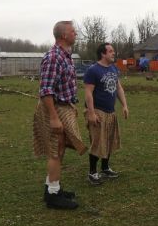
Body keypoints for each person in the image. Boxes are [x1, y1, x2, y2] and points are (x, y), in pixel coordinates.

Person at [33, 21, 88, 209]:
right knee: (55, 150)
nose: (76, 34)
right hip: (53, 108)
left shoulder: (66, 56)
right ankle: (53, 196)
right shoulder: (54, 57)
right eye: (73, 31)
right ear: (64, 35)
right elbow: (46, 90)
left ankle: (52, 189)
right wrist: (54, 117)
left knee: (61, 149)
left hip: (63, 106)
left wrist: (70, 104)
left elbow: (62, 86)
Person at [83, 43, 129, 185]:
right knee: (98, 142)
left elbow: (118, 88)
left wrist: (124, 105)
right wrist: (91, 113)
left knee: (109, 141)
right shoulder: (93, 70)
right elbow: (88, 93)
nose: (113, 53)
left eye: (113, 51)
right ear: (103, 54)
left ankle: (105, 168)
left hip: (110, 111)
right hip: (97, 111)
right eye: (110, 51)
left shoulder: (114, 68)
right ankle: (92, 173)